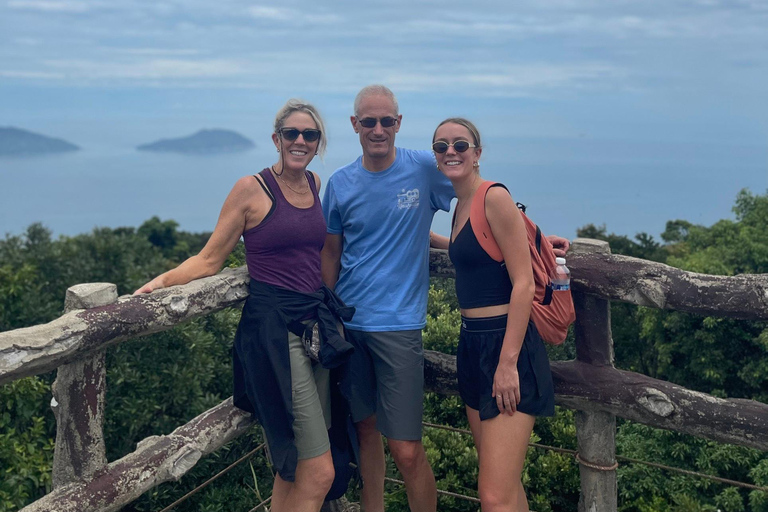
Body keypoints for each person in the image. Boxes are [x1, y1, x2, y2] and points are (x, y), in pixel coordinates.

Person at [321, 85, 568, 512]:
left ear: (399, 124)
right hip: (358, 327)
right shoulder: (341, 183)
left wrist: (533, 239)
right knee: (366, 435)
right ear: (355, 125)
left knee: (416, 454)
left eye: (386, 121)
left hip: (413, 328)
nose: (378, 129)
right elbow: (332, 252)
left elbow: (491, 209)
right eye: (368, 121)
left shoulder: (425, 169)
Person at [135, 99, 351, 512]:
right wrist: (161, 282)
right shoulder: (251, 189)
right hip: (275, 332)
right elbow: (210, 259)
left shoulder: (315, 184)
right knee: (319, 471)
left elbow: (316, 255)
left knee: (295, 466)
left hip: (314, 327)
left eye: (310, 135)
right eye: (292, 134)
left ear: (319, 142)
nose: (301, 141)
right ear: (276, 139)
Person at [432, 117, 556, 511]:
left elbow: (524, 283)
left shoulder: (493, 196)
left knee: (493, 497)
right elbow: (467, 249)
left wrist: (507, 364)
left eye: (460, 145)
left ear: (477, 153)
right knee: (505, 487)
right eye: (442, 146)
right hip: (472, 345)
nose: (451, 152)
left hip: (507, 346)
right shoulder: (460, 205)